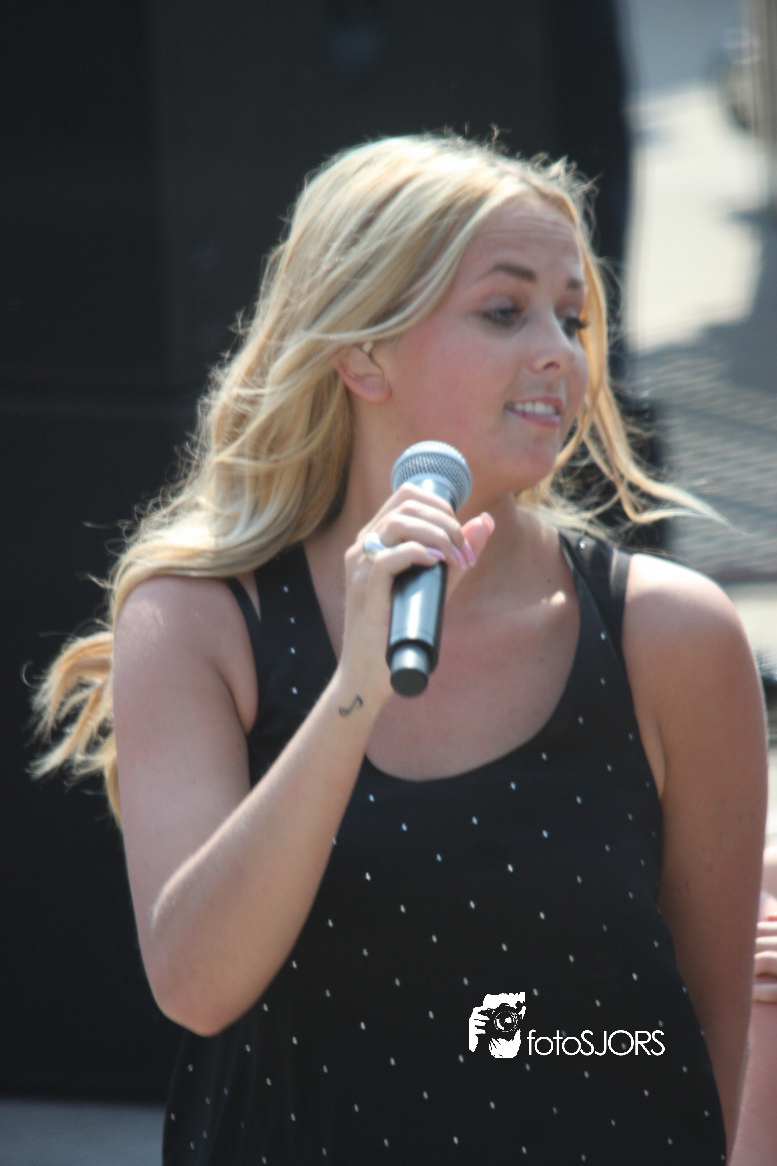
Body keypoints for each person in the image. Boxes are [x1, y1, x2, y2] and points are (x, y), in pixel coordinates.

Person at [33, 134, 767, 1163]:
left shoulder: (671, 634)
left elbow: (702, 1047)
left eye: (571, 317)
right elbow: (196, 982)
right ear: (361, 353)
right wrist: (355, 691)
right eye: (504, 311)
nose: (558, 352)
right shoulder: (199, 619)